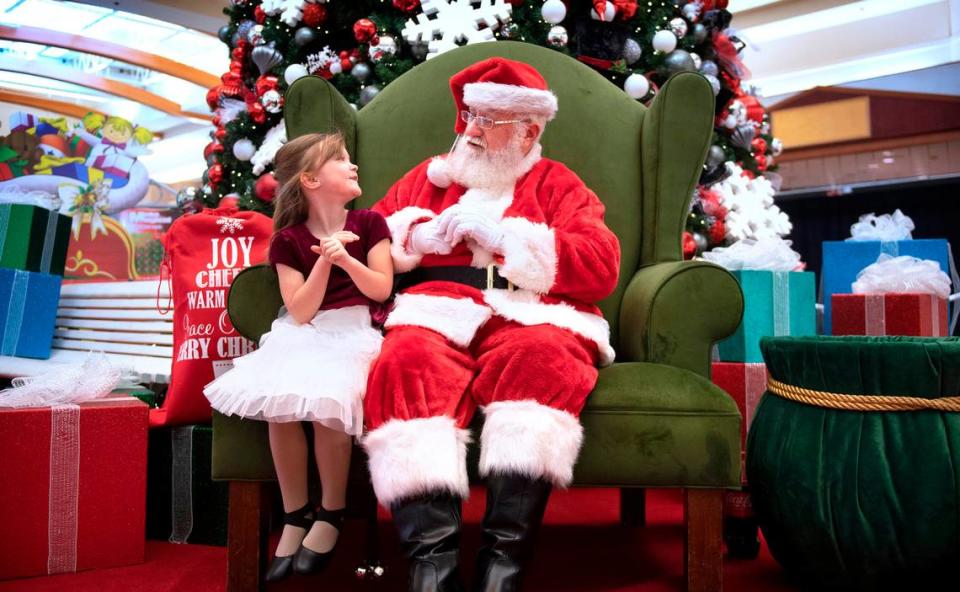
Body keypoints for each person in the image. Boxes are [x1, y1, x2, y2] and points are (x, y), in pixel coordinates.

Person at [363, 57, 621, 591]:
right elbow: (370, 238)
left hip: (530, 310)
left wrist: (510, 241)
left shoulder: (558, 184)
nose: (472, 130)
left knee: (545, 358)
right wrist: (413, 238)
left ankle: (501, 566)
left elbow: (601, 264)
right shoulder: (430, 179)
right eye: (469, 115)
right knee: (405, 361)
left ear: (528, 131)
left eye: (490, 119)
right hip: (438, 309)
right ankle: (431, 567)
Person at [203, 132, 393, 582]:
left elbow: (381, 289)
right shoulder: (288, 240)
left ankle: (332, 509)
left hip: (353, 331)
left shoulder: (370, 223)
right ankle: (295, 512)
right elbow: (302, 311)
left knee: (329, 400)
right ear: (310, 179)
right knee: (280, 402)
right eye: (341, 160)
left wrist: (345, 258)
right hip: (304, 331)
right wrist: (324, 260)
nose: (354, 166)